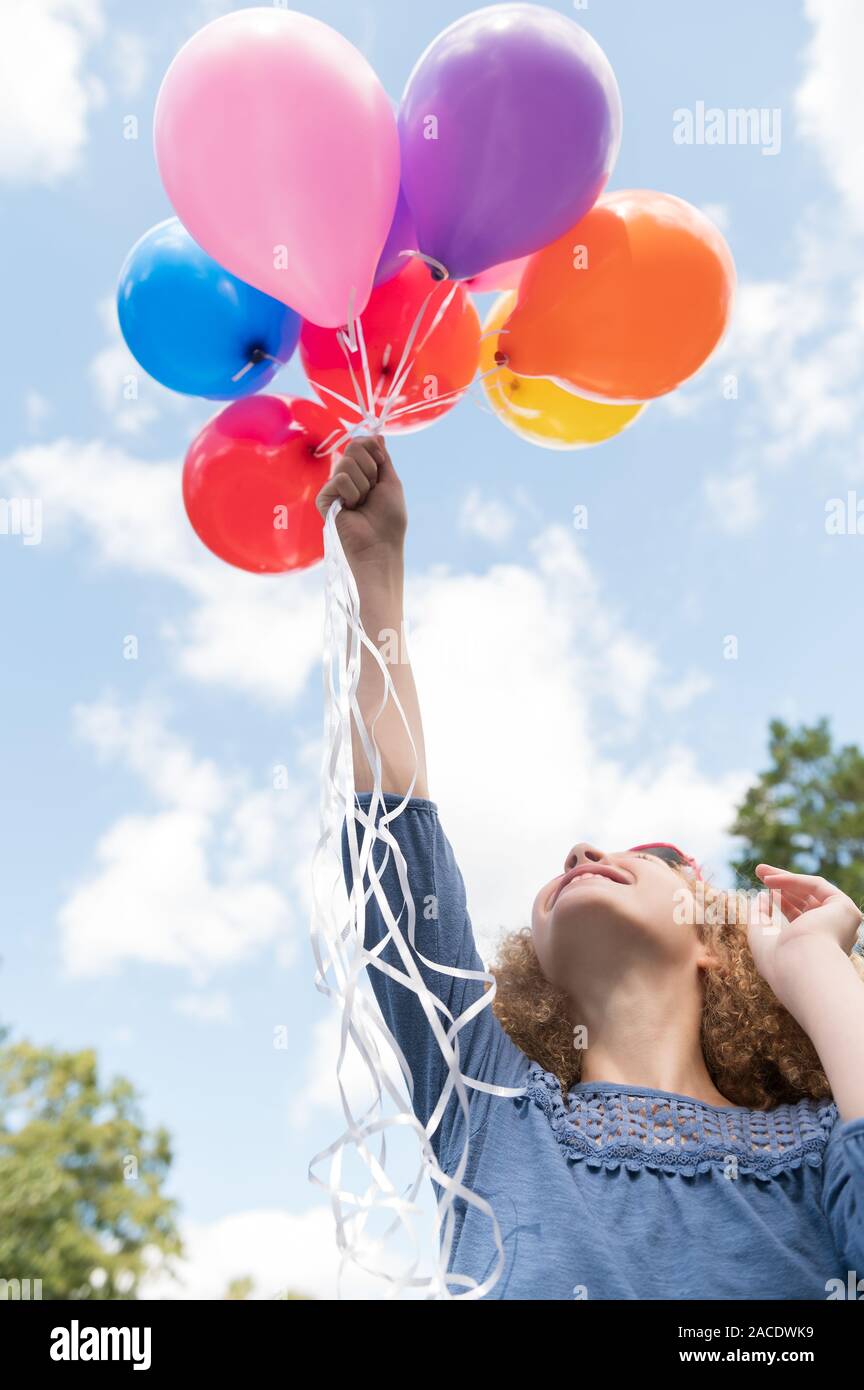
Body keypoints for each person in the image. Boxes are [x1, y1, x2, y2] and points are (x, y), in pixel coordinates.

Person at [315, 435, 864, 1301]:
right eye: (563, 870)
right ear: (533, 970)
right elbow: (394, 836)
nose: (581, 854)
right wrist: (377, 566)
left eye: (646, 857)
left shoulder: (816, 1150)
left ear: (713, 941)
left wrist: (819, 972)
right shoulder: (488, 1098)